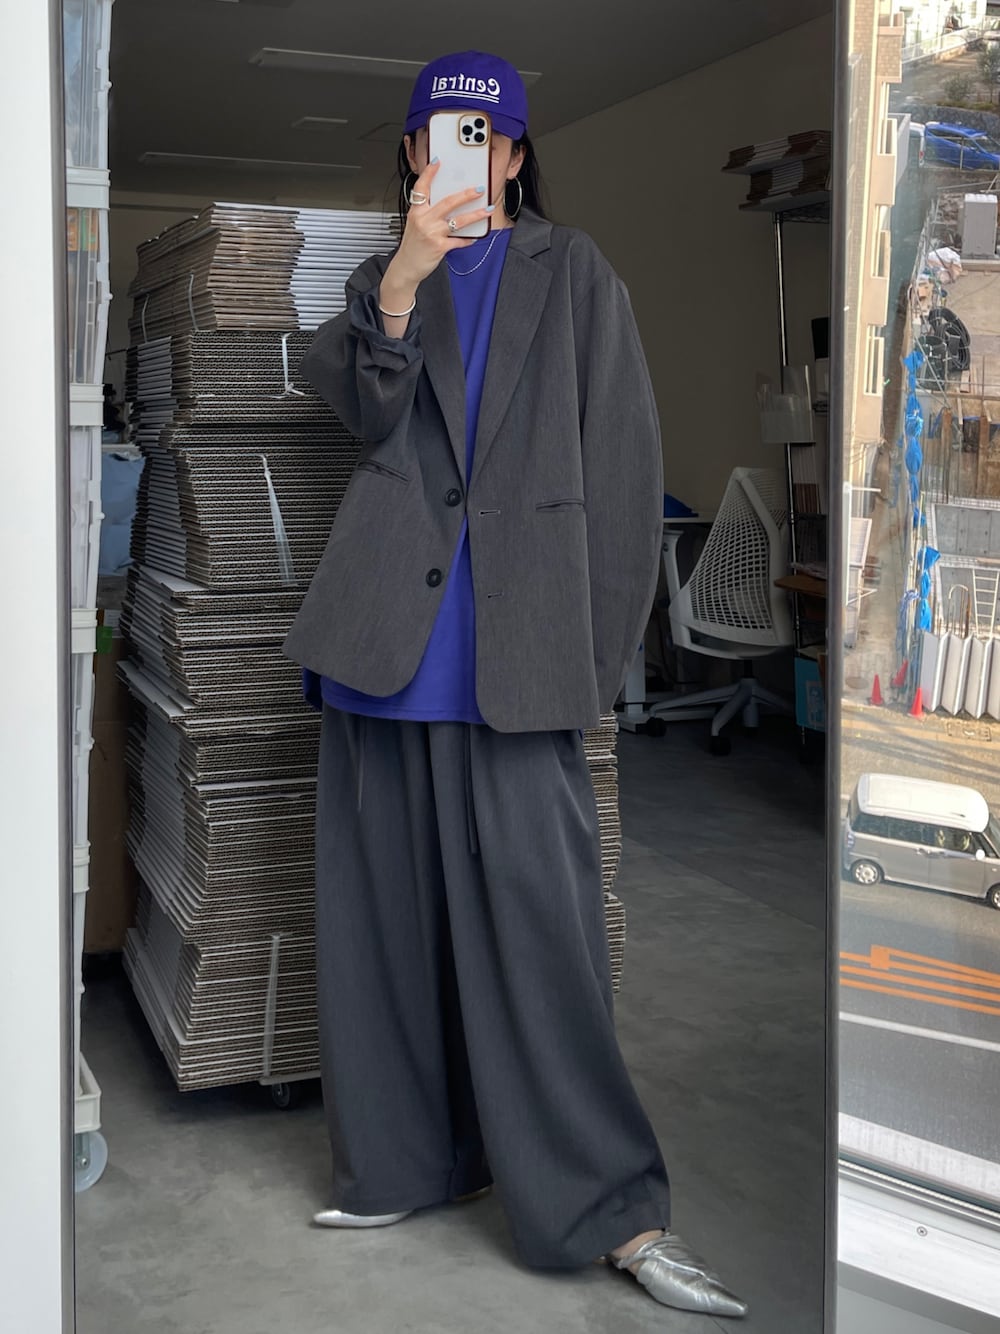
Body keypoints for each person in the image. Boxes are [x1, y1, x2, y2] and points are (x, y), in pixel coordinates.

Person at [283, 50, 748, 1320]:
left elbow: (625, 461)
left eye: (485, 137)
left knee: (544, 941)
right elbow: (359, 412)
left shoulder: (572, 270)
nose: (465, 155)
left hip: (519, 657)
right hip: (383, 650)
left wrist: (593, 662)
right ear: (411, 155)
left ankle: (613, 1211)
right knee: (383, 935)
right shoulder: (381, 280)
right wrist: (401, 278)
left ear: (517, 155)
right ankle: (402, 1164)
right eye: (441, 134)